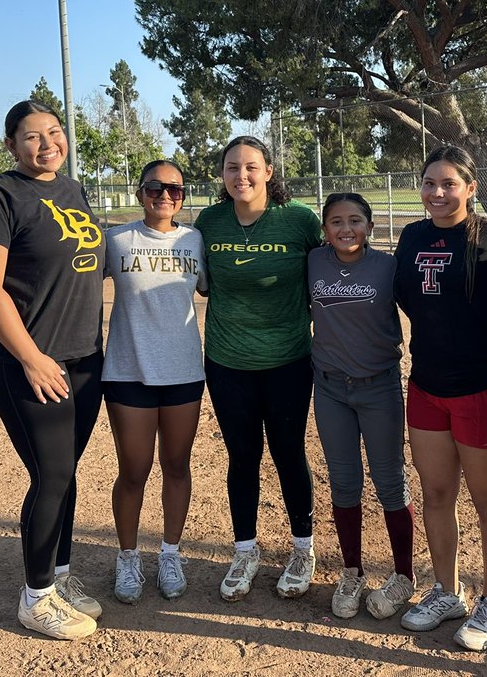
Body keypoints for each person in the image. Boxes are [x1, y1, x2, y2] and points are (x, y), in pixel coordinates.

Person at [0, 100, 106, 641]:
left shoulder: (72, 191)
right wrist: (30, 357)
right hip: (28, 363)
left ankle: (60, 576)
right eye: (31, 136)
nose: (46, 144)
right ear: (10, 144)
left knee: (66, 472)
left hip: (85, 358)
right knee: (51, 475)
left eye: (54, 132)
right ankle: (36, 596)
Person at [393, 145, 487, 652]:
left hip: (483, 387)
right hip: (427, 386)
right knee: (436, 495)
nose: (438, 193)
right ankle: (447, 591)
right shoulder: (413, 236)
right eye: (430, 183)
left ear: (471, 188)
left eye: (450, 184)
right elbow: (411, 300)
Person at [194, 136, 324, 602]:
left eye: (251, 167)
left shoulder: (299, 220)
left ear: (269, 171)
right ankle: (245, 550)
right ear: (222, 174)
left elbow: (330, 268)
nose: (241, 176)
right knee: (242, 456)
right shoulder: (209, 222)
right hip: (228, 362)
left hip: (289, 360)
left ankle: (302, 549)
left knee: (289, 452)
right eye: (232, 168)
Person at [102, 160, 206, 604]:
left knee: (177, 466)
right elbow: (74, 282)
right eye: (154, 187)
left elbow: (216, 287)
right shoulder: (116, 239)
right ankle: (128, 557)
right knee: (134, 470)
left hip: (183, 371)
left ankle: (169, 553)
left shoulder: (196, 239)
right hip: (129, 370)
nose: (164, 196)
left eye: (175, 190)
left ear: (183, 195)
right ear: (140, 190)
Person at [308, 192, 415, 620]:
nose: (346, 229)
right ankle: (351, 570)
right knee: (344, 481)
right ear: (325, 230)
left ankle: (404, 575)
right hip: (331, 387)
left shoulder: (387, 266)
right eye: (336, 221)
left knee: (390, 480)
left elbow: (427, 312)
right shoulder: (313, 262)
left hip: (379, 386)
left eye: (355, 220)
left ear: (370, 227)